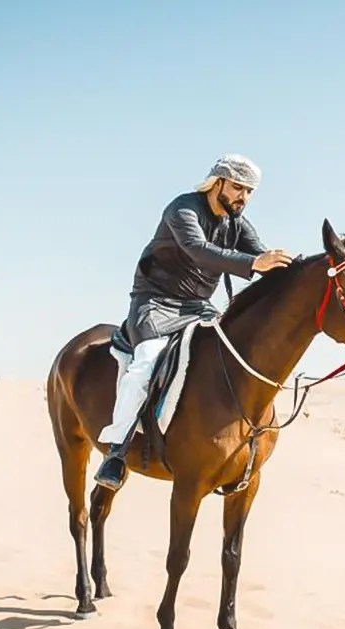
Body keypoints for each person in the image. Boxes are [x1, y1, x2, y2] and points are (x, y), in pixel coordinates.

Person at [93, 154, 294, 489]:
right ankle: (116, 450)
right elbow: (198, 250)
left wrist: (300, 269)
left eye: (249, 191)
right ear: (218, 183)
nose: (243, 197)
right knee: (144, 365)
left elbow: (263, 258)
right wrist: (256, 262)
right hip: (155, 303)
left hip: (198, 307)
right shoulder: (182, 209)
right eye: (238, 187)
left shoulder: (236, 224)